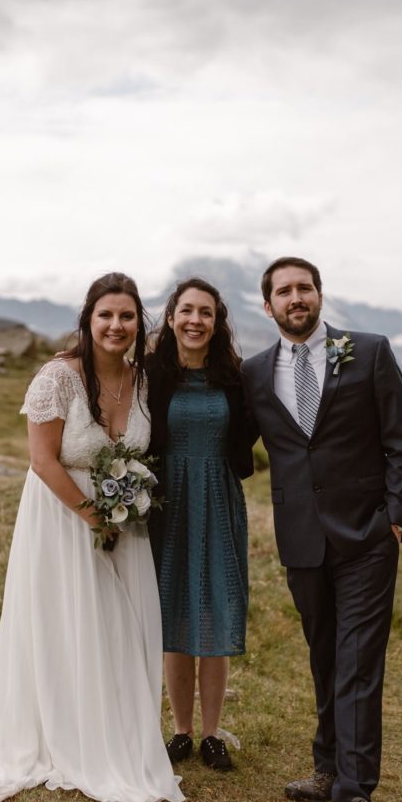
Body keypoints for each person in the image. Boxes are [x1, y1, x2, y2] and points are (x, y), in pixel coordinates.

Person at [0, 273, 185, 802]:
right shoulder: (56, 377)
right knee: (69, 620)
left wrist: (125, 506)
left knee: (120, 625)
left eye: (127, 316)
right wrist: (92, 516)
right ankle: (63, 733)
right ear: (88, 319)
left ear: (139, 324)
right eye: (106, 315)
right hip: (62, 517)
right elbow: (42, 460)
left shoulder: (144, 378)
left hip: (123, 522)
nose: (116, 325)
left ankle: (117, 731)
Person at [241, 257, 402, 802]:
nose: (296, 298)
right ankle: (326, 765)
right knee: (324, 654)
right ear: (267, 306)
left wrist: (397, 515)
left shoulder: (368, 351)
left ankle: (354, 800)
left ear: (319, 295)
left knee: (358, 663)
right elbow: (235, 443)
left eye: (304, 287)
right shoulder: (254, 373)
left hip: (368, 538)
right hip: (302, 541)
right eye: (284, 291)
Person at [147, 277, 254, 771]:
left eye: (205, 312)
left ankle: (212, 734)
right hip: (168, 503)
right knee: (175, 612)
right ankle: (181, 732)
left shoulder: (236, 378)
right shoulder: (151, 375)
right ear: (171, 318)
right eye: (186, 310)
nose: (195, 320)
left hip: (217, 499)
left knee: (213, 607)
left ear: (216, 322)